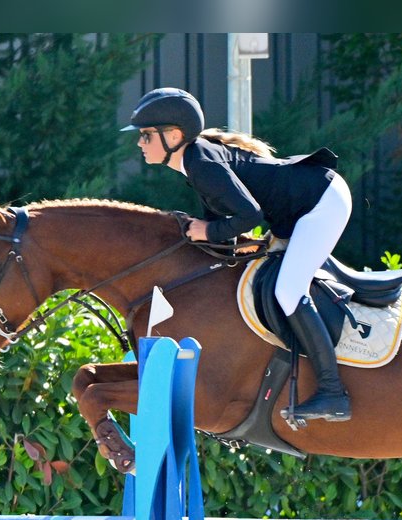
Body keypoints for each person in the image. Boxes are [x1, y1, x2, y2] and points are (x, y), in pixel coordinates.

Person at [124, 87, 352, 422]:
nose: (140, 144)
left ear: (173, 135)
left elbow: (249, 215)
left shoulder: (201, 163)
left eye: (146, 136)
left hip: (321, 202)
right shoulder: (195, 162)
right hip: (306, 204)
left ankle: (333, 393)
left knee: (288, 291)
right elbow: (228, 220)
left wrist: (207, 231)